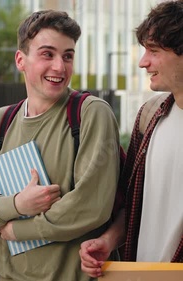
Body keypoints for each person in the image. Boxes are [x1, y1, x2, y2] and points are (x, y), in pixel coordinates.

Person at [0, 10, 120, 281]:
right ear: (20, 60)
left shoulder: (90, 113)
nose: (60, 66)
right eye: (48, 54)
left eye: (67, 56)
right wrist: (19, 204)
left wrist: (16, 230)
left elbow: (90, 206)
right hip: (12, 276)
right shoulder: (0, 122)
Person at [80, 1, 183, 277]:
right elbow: (132, 201)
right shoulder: (150, 116)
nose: (143, 62)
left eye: (154, 51)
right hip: (139, 273)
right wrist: (108, 241)